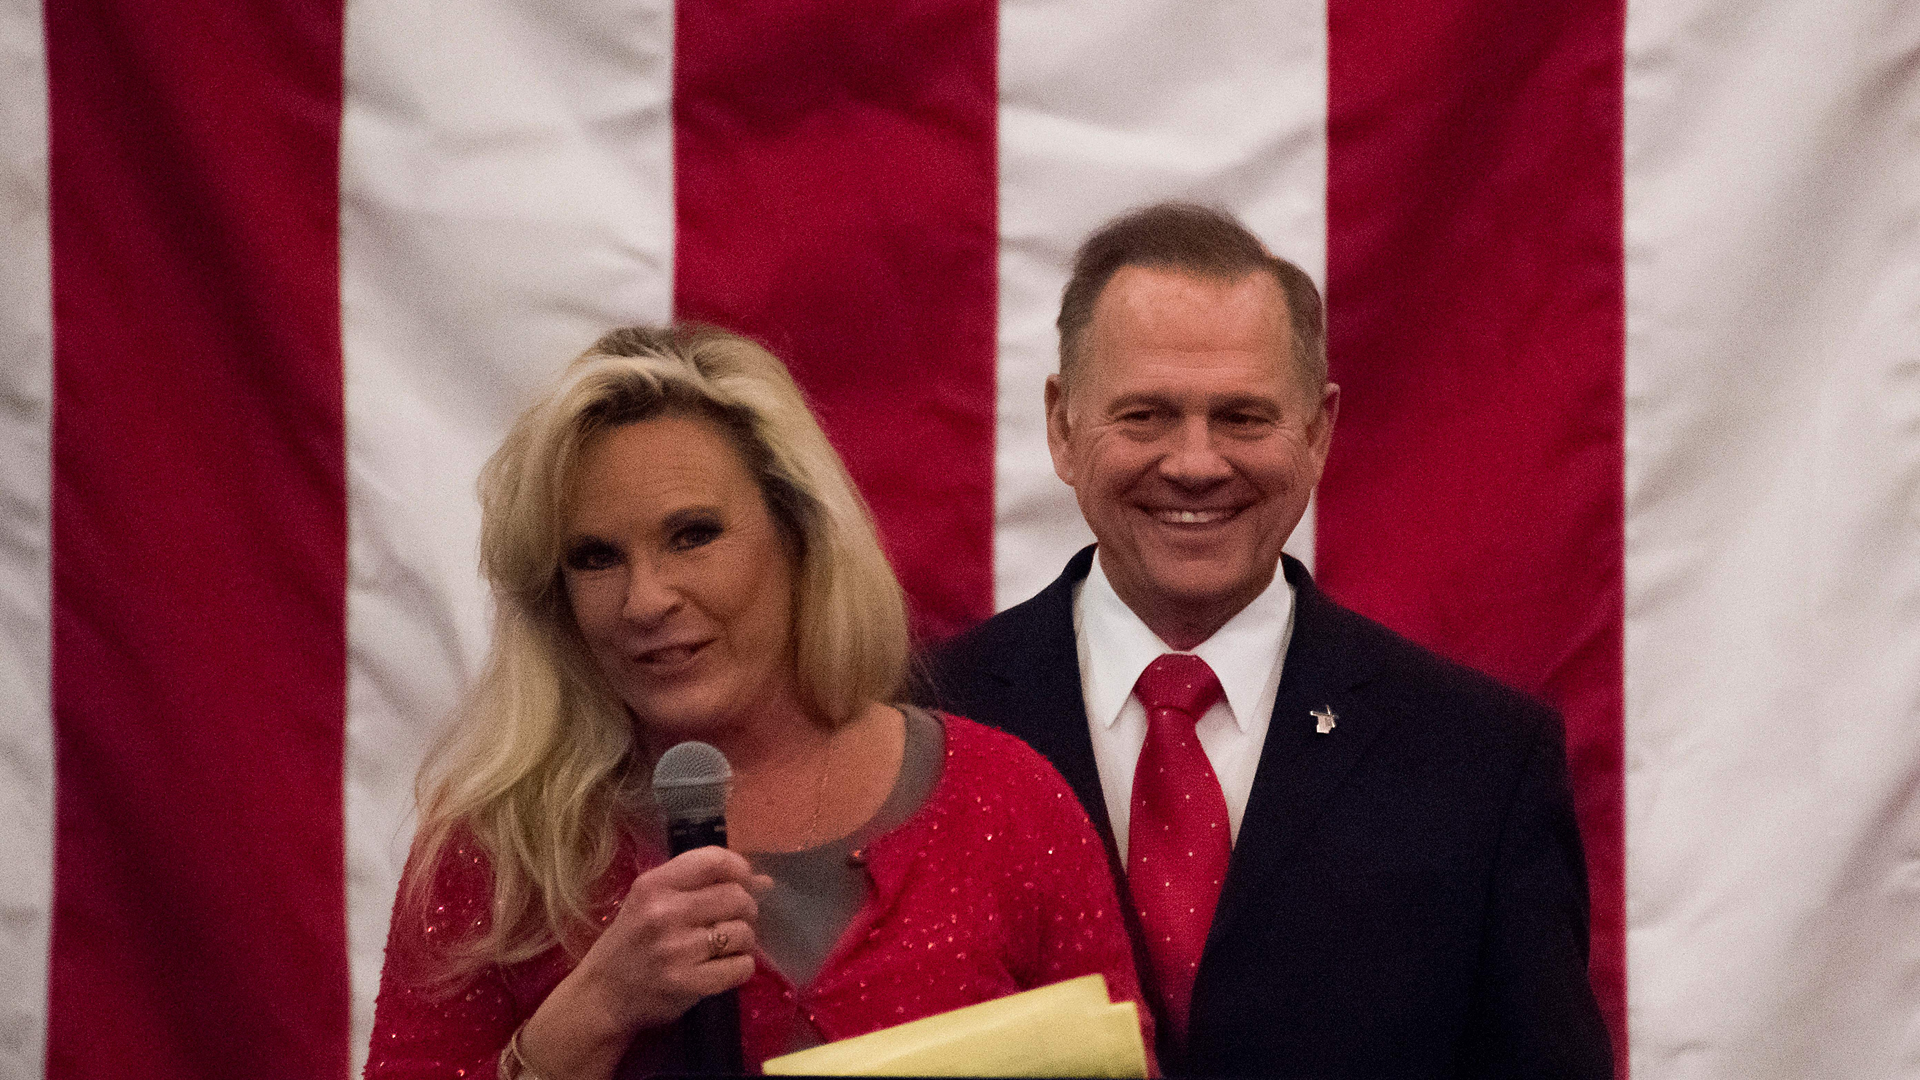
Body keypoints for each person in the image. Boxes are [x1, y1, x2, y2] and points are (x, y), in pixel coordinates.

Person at [924, 203, 1614, 1078]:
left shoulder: (1480, 764)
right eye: (1145, 416)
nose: (1197, 462)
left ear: (1319, 431)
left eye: (1244, 417)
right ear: (1062, 426)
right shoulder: (921, 723)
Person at [365, 325, 1148, 1079]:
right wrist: (595, 1011)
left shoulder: (1003, 798)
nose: (646, 599)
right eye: (596, 557)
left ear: (801, 535)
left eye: (692, 536)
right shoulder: (499, 849)